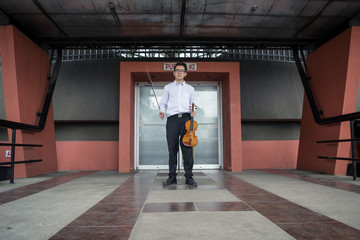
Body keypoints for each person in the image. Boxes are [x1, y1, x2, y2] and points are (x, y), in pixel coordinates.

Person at [159, 62, 197, 186]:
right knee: (172, 149)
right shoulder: (168, 87)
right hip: (172, 120)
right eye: (177, 70)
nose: (179, 72)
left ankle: (189, 177)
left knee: (187, 149)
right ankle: (172, 177)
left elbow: (194, 103)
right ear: (173, 72)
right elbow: (163, 103)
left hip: (186, 119)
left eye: (182, 70)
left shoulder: (190, 88)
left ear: (185, 73)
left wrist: (194, 110)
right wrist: (161, 111)